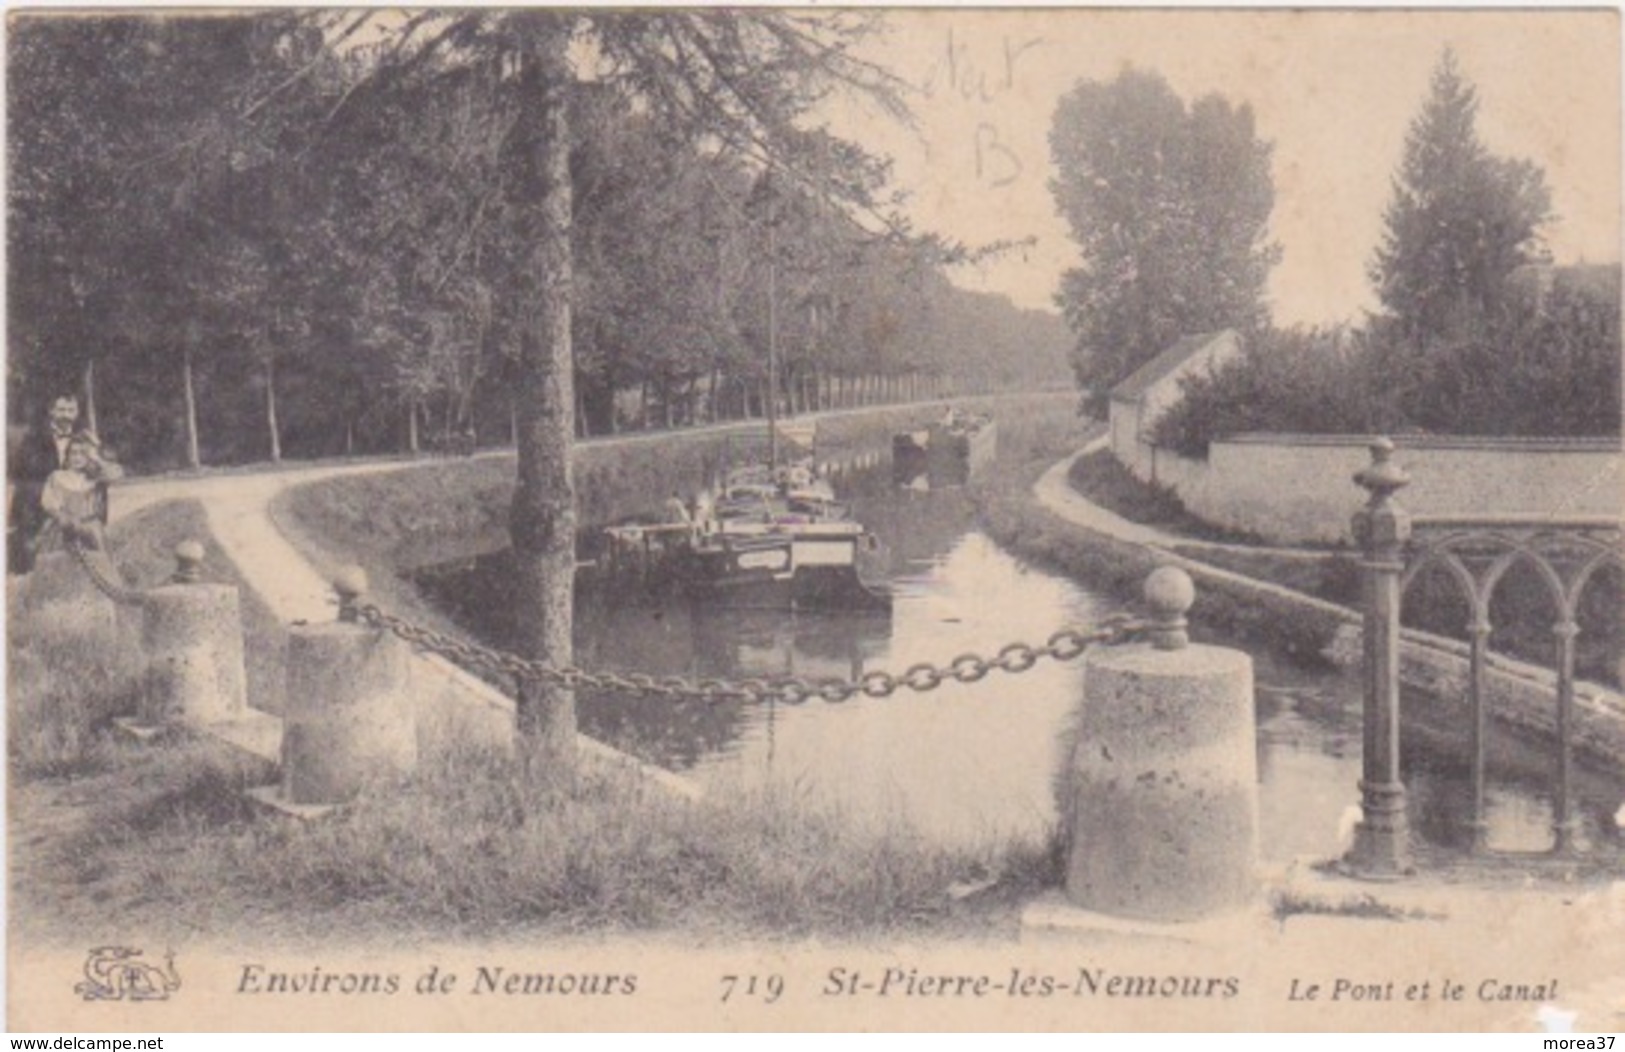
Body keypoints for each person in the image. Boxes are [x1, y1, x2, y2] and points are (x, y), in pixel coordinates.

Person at [8, 393, 83, 574]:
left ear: (77, 412)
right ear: (51, 412)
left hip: (70, 501)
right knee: (30, 551)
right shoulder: (34, 436)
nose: (66, 415)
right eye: (61, 410)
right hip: (35, 500)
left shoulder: (83, 438)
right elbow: (23, 472)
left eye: (71, 410)